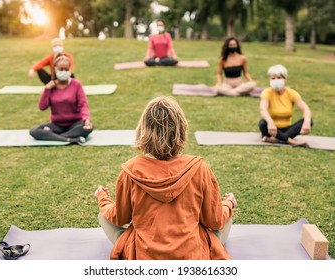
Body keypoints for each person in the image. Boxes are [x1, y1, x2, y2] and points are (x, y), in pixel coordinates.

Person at [94, 96, 237, 260]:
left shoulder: (130, 171)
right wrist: (229, 203)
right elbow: (215, 221)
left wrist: (102, 198)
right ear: (180, 129)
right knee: (220, 225)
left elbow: (119, 218)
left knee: (102, 216)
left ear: (143, 129)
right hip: (191, 255)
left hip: (144, 256)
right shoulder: (199, 169)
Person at [29, 54, 93, 144]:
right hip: (57, 125)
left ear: (70, 69)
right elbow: (42, 107)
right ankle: (70, 139)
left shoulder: (76, 84)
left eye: (66, 69)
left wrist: (86, 119)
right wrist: (47, 89)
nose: (64, 71)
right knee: (34, 131)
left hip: (75, 124)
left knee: (89, 127)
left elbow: (83, 104)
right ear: (55, 69)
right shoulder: (51, 87)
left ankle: (55, 136)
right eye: (61, 69)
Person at [259, 64, 313, 146]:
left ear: (285, 79)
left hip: (287, 129)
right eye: (273, 78)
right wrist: (270, 122)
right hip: (271, 128)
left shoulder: (292, 93)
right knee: (262, 123)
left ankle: (276, 139)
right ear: (269, 80)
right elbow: (263, 109)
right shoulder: (266, 92)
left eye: (279, 78)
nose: (276, 80)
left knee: (309, 121)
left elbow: (306, 109)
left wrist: (307, 122)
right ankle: (291, 141)